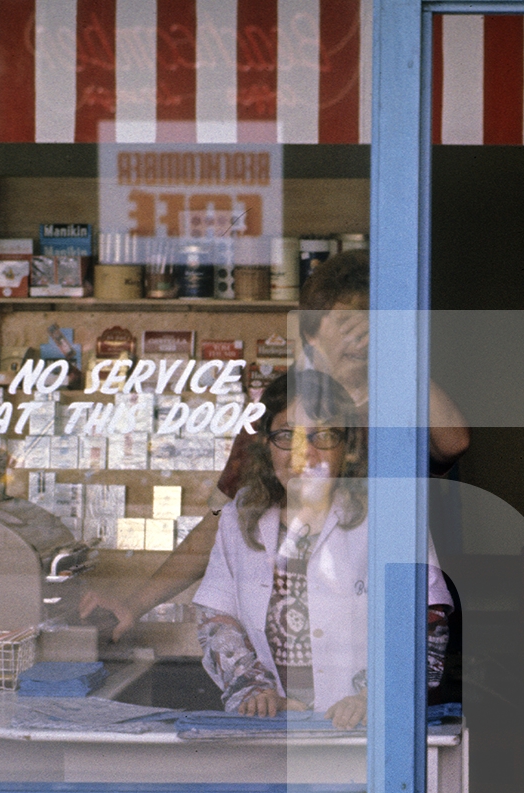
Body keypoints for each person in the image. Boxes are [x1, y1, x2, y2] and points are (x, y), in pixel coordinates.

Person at [79, 250, 470, 640]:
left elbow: (454, 442)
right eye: (347, 322)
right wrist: (135, 604)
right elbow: (223, 522)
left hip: (391, 610)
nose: (361, 337)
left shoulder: (403, 399)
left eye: (372, 323)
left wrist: (401, 354)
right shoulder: (281, 408)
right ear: (312, 332)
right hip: (297, 619)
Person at [193, 370, 452, 727]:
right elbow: (218, 617)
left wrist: (372, 695)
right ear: (266, 445)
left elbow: (428, 622)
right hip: (271, 729)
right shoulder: (241, 516)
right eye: (287, 436)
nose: (305, 454)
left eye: (324, 436)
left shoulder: (391, 517)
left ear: (348, 449)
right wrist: (252, 688)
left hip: (365, 731)